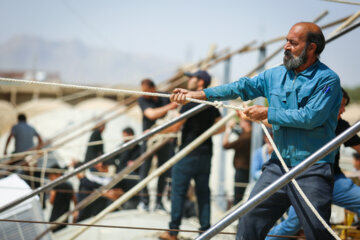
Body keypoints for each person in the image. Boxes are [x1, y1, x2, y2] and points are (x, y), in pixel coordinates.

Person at [170, 22, 342, 239]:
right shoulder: (274, 75)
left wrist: (267, 114)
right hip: (278, 166)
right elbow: (239, 88)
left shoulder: (328, 80)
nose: (286, 47)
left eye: (293, 43)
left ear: (311, 48)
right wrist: (199, 95)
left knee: (317, 232)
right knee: (249, 221)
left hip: (312, 168)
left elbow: (311, 117)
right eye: (286, 41)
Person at [266, 89, 360, 240]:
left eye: (345, 106)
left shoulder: (341, 125)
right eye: (340, 105)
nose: (343, 110)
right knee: (292, 225)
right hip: (306, 182)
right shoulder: (306, 120)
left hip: (334, 181)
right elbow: (273, 120)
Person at [159, 70, 222, 240]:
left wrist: (157, 131)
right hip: (206, 153)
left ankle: (173, 232)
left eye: (192, 78)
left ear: (200, 82)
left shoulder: (190, 102)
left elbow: (175, 126)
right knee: (203, 193)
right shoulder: (211, 103)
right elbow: (221, 127)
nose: (189, 81)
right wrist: (204, 132)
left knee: (178, 191)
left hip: (188, 153)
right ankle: (205, 230)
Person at [137, 79, 178, 212]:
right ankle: (144, 201)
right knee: (144, 170)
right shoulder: (142, 100)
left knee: (163, 170)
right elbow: (151, 114)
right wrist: (170, 107)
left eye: (145, 91)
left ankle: (159, 202)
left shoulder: (164, 96)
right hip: (148, 139)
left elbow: (175, 114)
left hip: (164, 139)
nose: (143, 93)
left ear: (153, 89)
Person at [111, 127, 141, 209]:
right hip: (121, 176)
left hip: (132, 178)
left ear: (131, 135)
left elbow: (141, 164)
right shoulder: (122, 147)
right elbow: (111, 158)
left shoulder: (139, 148)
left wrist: (135, 163)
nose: (124, 139)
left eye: (125, 136)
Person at [223, 119, 252, 204]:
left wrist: (228, 129)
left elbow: (225, 144)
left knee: (238, 198)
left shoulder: (245, 137)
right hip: (247, 170)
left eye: (242, 121)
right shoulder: (250, 135)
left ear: (247, 123)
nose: (239, 123)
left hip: (242, 171)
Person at [47, 164, 77, 232]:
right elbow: (75, 200)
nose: (50, 179)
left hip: (55, 218)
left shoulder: (55, 186)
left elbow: (51, 201)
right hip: (65, 219)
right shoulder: (69, 185)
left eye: (51, 177)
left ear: (57, 174)